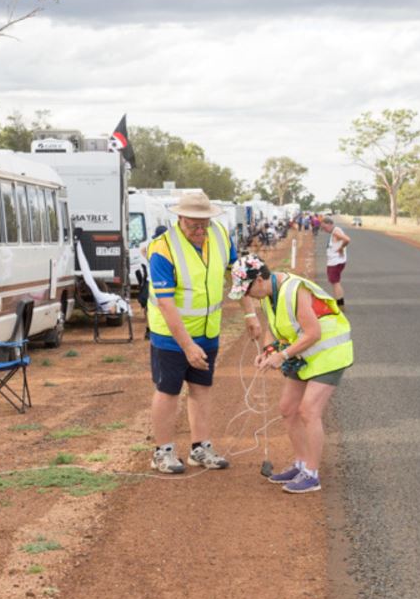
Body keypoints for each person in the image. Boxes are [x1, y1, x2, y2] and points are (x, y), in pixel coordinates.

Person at [230, 254, 353, 494]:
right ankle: (300, 464)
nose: (247, 296)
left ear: (261, 279)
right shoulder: (267, 295)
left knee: (308, 410)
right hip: (305, 356)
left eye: (247, 290)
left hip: (329, 354)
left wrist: (282, 356)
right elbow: (274, 330)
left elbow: (313, 333)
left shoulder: (294, 290)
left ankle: (312, 474)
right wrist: (268, 351)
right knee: (287, 408)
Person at [146, 190, 240, 473]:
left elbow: (237, 275)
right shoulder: (162, 248)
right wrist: (187, 345)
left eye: (204, 224)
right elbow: (165, 303)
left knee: (201, 388)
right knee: (168, 390)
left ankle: (200, 448)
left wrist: (250, 313)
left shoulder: (221, 236)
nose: (200, 230)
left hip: (208, 331)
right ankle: (162, 452)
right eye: (193, 224)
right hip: (171, 336)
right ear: (179, 218)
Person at [320, 216, 351, 307]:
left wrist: (341, 248)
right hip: (336, 261)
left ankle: (340, 304)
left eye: (325, 227)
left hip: (335, 262)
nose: (324, 230)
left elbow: (347, 239)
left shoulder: (336, 232)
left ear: (330, 224)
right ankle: (339, 302)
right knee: (335, 282)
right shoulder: (335, 231)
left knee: (335, 283)